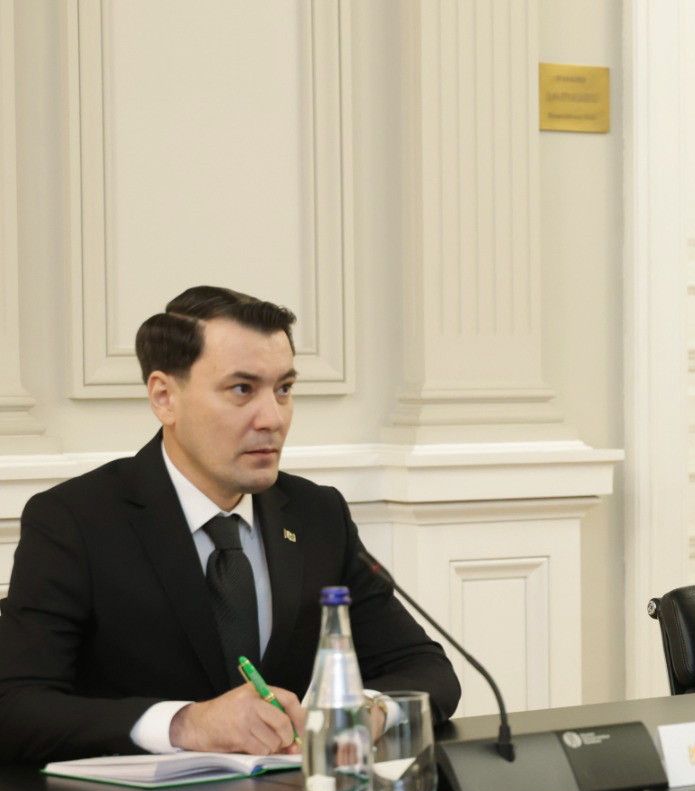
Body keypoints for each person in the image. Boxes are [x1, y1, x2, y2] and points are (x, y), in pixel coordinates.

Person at [0, 286, 461, 763]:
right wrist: (186, 724)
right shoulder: (76, 520)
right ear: (164, 398)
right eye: (242, 389)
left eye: (283, 389)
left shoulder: (316, 513)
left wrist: (359, 713)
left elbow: (425, 670)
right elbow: (15, 707)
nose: (272, 418)